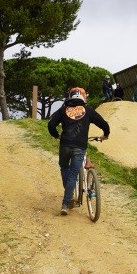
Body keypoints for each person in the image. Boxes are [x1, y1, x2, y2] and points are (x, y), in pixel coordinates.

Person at [48, 87, 110, 216]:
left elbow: (51, 124)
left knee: (64, 168)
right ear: (83, 98)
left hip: (65, 144)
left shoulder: (63, 109)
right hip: (79, 146)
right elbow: (104, 124)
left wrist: (56, 135)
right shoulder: (88, 110)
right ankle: (65, 204)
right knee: (72, 175)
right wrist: (105, 134)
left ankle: (68, 198)